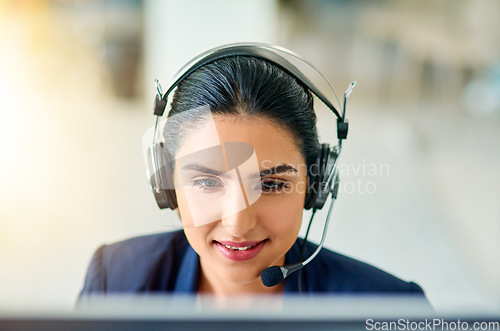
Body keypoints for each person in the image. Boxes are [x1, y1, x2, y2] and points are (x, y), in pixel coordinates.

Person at [79, 44, 427, 298]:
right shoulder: (113, 280)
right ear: (166, 183)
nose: (238, 224)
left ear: (316, 185)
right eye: (205, 181)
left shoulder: (389, 309)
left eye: (273, 184)